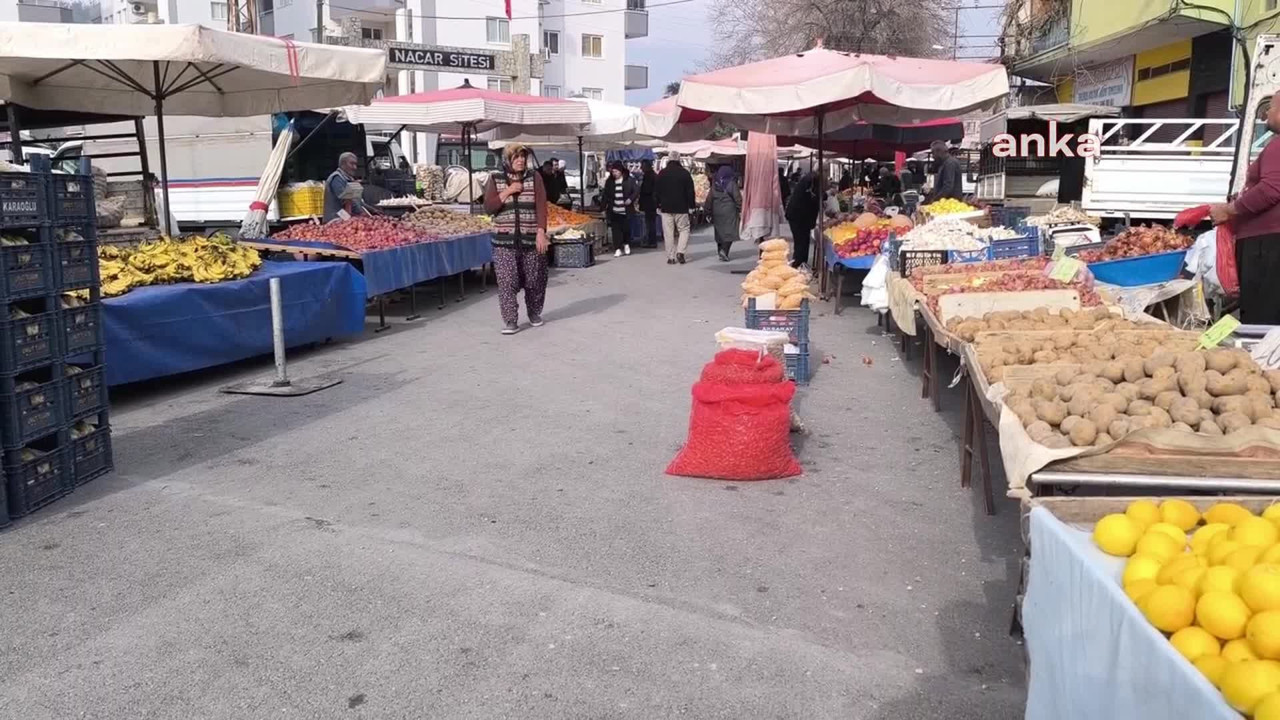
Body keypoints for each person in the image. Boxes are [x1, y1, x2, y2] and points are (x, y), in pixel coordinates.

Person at [1211, 90, 1280, 323]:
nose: (1265, 114)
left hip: (1267, 247)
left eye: (1270, 107)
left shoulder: (1278, 146)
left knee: (1263, 317)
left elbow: (1271, 189)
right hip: (1268, 243)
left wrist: (1228, 210)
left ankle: (1262, 360)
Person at [482, 144, 549, 335]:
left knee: (535, 279)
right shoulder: (495, 178)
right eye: (516, 157)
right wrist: (508, 191)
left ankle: (534, 313)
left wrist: (541, 231)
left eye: (523, 157)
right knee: (506, 280)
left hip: (530, 238)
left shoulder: (534, 177)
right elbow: (489, 207)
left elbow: (541, 206)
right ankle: (511, 320)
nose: (520, 160)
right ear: (507, 160)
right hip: (504, 241)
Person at [656, 152, 697, 265]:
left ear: (669, 159)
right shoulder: (685, 174)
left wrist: (658, 204)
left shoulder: (662, 173)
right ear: (679, 160)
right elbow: (690, 192)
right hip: (682, 207)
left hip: (666, 208)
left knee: (668, 232)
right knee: (684, 230)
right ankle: (680, 252)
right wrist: (692, 206)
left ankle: (671, 257)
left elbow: (657, 191)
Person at [705, 165, 742, 262]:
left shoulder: (715, 184)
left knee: (719, 232)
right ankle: (724, 251)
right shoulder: (731, 184)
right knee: (730, 231)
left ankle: (720, 250)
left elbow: (709, 199)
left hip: (717, 212)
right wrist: (740, 208)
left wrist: (708, 212)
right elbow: (737, 198)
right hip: (729, 211)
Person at [601, 161, 637, 258]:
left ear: (621, 171)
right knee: (615, 230)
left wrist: (630, 199)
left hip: (626, 210)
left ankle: (626, 244)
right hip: (614, 210)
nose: (614, 173)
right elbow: (606, 195)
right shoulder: (609, 182)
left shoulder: (629, 180)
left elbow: (636, 191)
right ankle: (617, 248)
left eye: (616, 171)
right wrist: (603, 208)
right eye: (613, 172)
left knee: (626, 229)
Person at [785, 171, 820, 270]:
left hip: (799, 216)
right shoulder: (811, 181)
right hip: (798, 217)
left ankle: (801, 263)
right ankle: (798, 265)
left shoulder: (809, 179)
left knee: (803, 241)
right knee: (801, 241)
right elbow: (813, 198)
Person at [323, 152, 371, 222]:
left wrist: (373, 210)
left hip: (346, 219)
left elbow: (358, 202)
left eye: (355, 164)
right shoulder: (337, 178)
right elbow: (346, 201)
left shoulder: (348, 179)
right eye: (352, 164)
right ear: (343, 164)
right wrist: (362, 213)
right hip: (335, 220)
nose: (355, 167)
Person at [638, 159, 659, 247]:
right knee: (651, 222)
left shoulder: (649, 176)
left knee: (650, 223)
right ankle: (651, 241)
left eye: (642, 166)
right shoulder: (653, 175)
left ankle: (651, 241)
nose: (641, 168)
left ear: (646, 166)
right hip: (652, 202)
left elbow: (647, 189)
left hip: (649, 202)